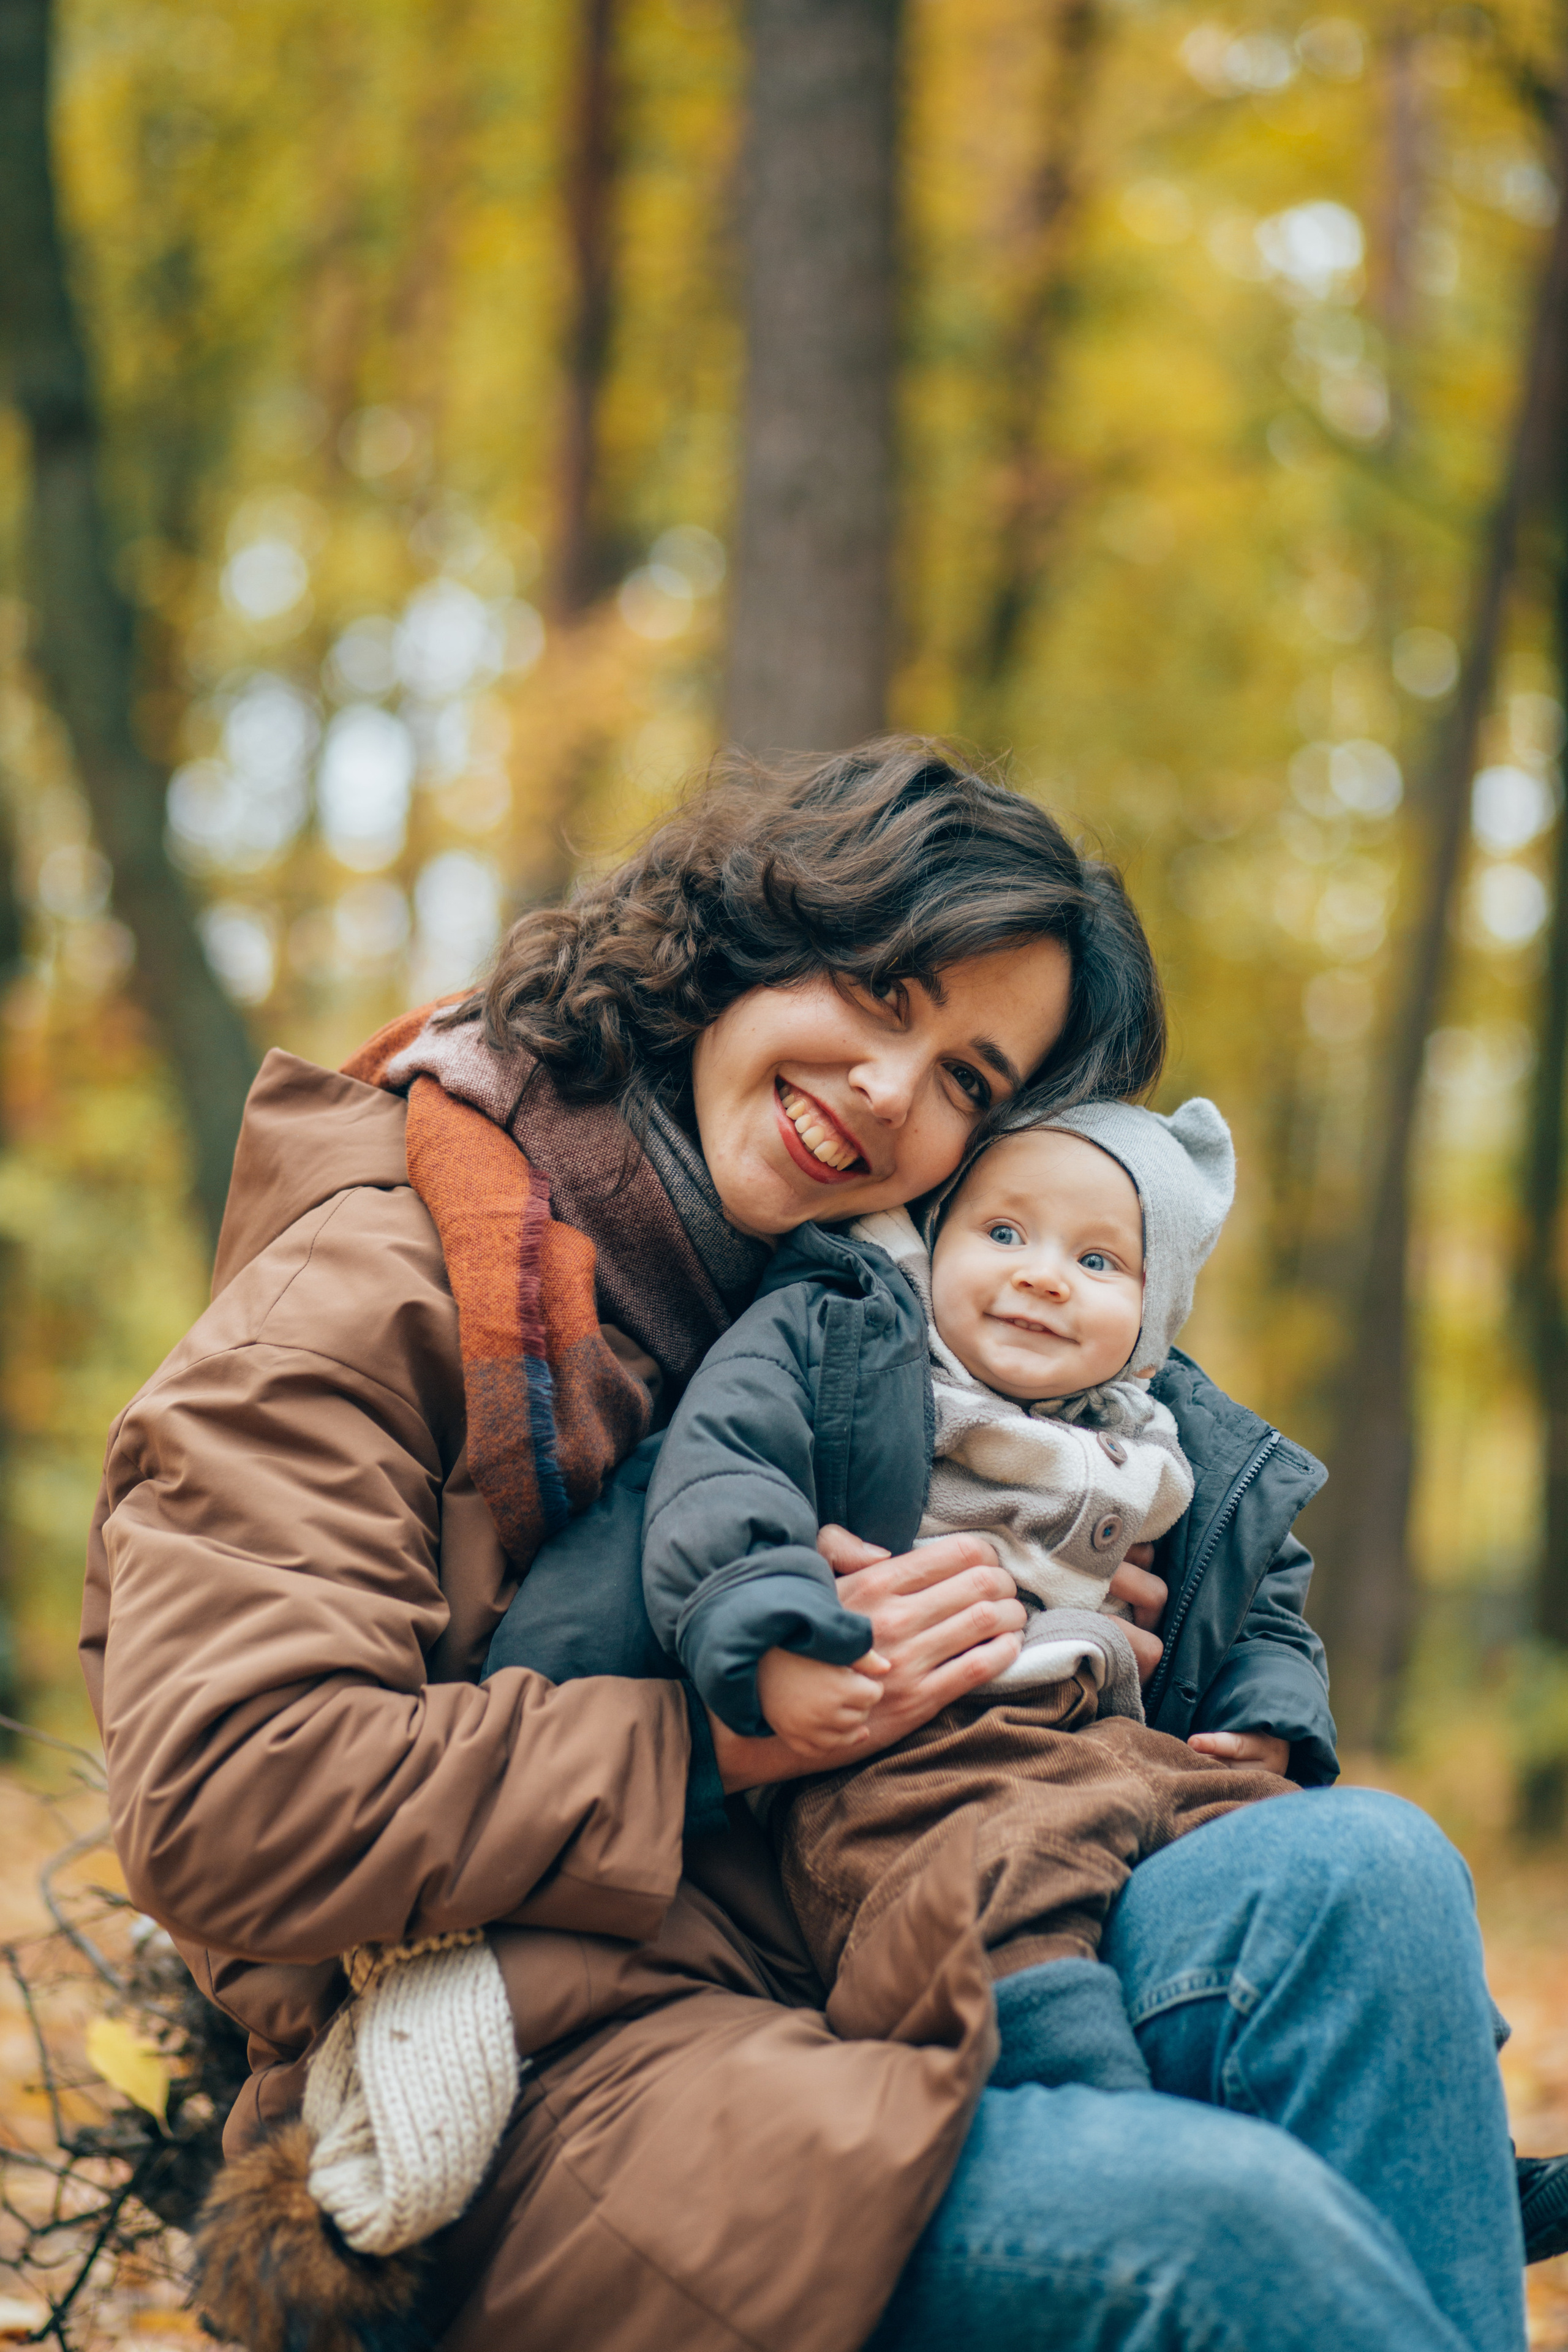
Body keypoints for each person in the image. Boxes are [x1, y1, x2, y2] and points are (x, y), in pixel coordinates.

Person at [80, 744, 1528, 2352]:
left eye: (973, 1080)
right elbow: (229, 1798)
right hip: (544, 2078)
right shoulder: (373, 1291)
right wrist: (720, 1736)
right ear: (740, 940)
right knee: (1217, 2239)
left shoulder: (881, 1326)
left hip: (894, 1928)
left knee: (1365, 1874)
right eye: (882, 993)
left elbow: (1102, 1593)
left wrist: (1088, 1620)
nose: (895, 1095)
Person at [627, 1094, 1302, 2099]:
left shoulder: (1160, 1436)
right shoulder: (847, 1338)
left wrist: (1269, 1712)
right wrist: (771, 1640)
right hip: (912, 1763)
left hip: (1110, 1745)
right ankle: (1101, 2119)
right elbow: (727, 1472)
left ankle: (1405, 2103)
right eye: (1002, 1232)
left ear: (1152, 1332)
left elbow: (1268, 1591)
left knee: (1297, 1844)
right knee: (1002, 1902)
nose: (1042, 1274)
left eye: (1099, 1262)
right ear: (936, 1239)